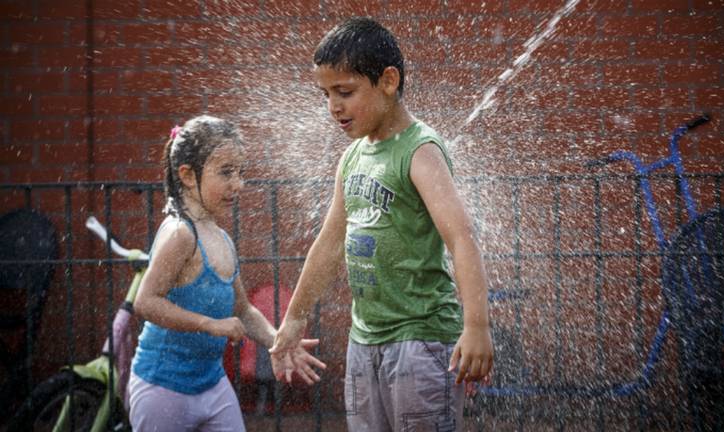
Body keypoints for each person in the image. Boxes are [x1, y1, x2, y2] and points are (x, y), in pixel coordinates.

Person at [269, 17, 493, 431]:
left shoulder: (419, 150)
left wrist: (476, 325)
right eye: (326, 94)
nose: (333, 107)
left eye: (345, 92)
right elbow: (329, 243)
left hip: (421, 339)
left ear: (388, 81)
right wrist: (294, 319)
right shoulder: (354, 157)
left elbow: (461, 237)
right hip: (365, 339)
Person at [129, 115, 326, 431]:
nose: (238, 184)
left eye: (240, 172)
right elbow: (146, 302)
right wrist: (209, 324)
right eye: (226, 172)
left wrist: (277, 341)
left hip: (212, 385)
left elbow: (243, 311)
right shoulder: (180, 234)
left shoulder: (221, 238)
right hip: (163, 388)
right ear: (188, 176)